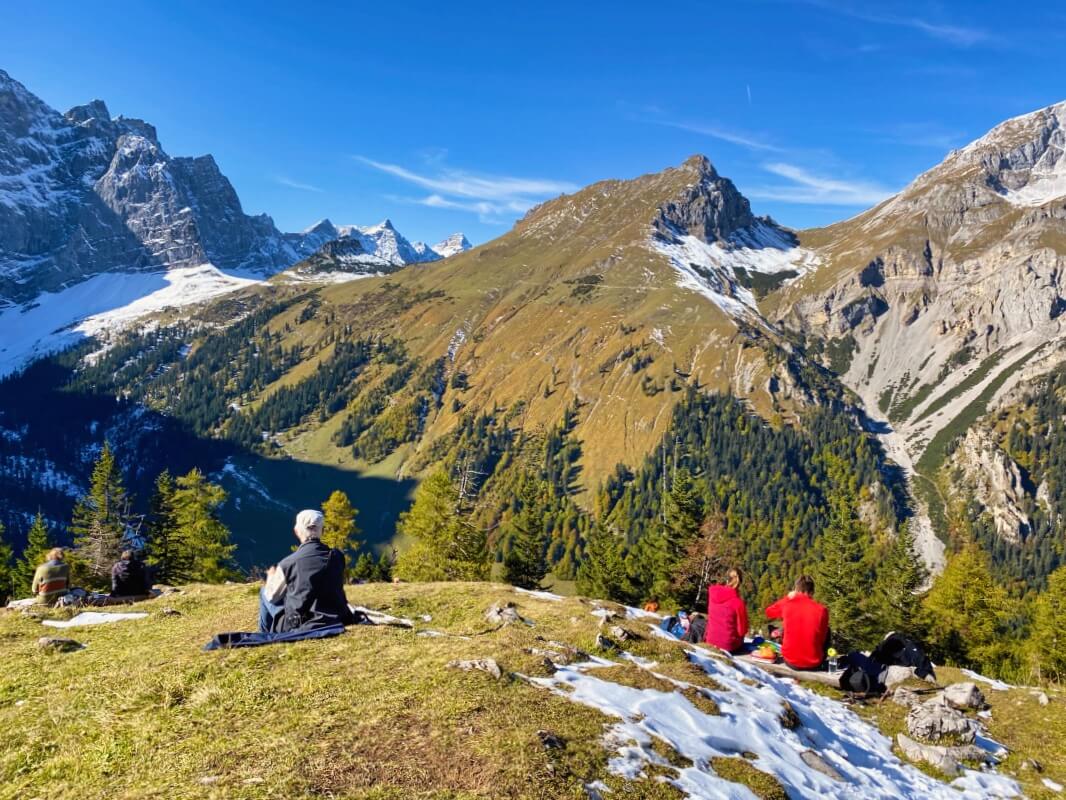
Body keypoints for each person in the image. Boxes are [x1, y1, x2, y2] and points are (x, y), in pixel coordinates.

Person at [258, 509, 354, 633]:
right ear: (323, 531)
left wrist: (271, 577)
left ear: (297, 531)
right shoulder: (338, 556)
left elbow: (272, 597)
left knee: (264, 592)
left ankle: (264, 635)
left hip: (299, 623)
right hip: (337, 616)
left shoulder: (288, 563)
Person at [764, 575, 829, 670]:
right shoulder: (822, 610)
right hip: (814, 662)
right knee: (827, 630)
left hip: (790, 661)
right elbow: (822, 638)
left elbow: (769, 612)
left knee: (783, 626)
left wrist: (787, 598)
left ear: (795, 589)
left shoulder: (787, 604)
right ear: (812, 592)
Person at [705, 567, 749, 654]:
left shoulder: (712, 591)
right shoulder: (738, 603)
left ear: (726, 579)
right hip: (728, 646)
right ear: (739, 582)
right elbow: (742, 631)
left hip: (710, 641)